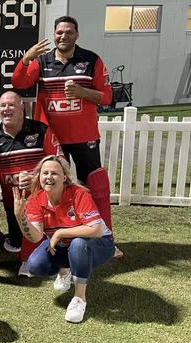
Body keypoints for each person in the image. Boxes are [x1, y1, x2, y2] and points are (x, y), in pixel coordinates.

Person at [12, 16, 117, 255]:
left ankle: (107, 237)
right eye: (59, 32)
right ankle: (55, 236)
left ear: (76, 34)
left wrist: (82, 92)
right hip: (52, 138)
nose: (63, 36)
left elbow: (108, 97)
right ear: (54, 34)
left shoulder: (91, 60)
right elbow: (18, 81)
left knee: (96, 186)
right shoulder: (42, 61)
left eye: (68, 32)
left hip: (84, 135)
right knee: (50, 187)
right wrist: (27, 58)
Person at [0, 91, 62, 277]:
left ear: (22, 108)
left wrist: (38, 179)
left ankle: (33, 259)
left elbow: (60, 162)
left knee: (37, 234)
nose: (6, 109)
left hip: (44, 200)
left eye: (11, 105)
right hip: (13, 206)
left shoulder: (41, 130)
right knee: (16, 241)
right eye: (3, 105)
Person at [13, 155, 115, 323]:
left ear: (65, 177)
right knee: (34, 265)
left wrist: (60, 233)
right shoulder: (36, 199)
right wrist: (19, 216)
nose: (49, 177)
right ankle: (65, 270)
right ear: (39, 177)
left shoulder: (79, 194)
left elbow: (96, 230)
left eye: (55, 173)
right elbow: (36, 236)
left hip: (100, 245)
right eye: (45, 173)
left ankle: (79, 298)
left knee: (78, 243)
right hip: (64, 245)